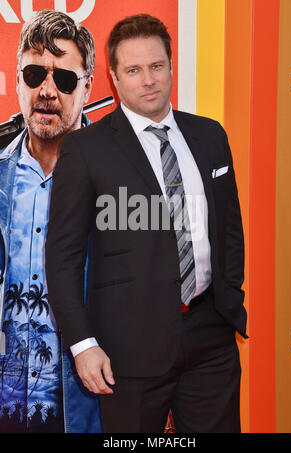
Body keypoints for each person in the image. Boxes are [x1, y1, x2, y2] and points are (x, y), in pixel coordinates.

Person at [45, 13, 248, 433]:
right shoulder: (85, 150)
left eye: (156, 66)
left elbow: (229, 229)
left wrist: (230, 298)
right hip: (126, 351)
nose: (148, 79)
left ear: (171, 67)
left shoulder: (210, 136)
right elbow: (63, 258)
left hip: (211, 337)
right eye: (133, 70)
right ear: (114, 79)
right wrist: (83, 346)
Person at [0, 9, 102, 433]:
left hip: (82, 408)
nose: (46, 91)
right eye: (34, 74)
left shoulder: (119, 176)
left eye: (63, 79)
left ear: (87, 87)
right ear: (17, 78)